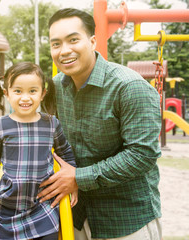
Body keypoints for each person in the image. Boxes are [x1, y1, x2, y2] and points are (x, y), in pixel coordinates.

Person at [37, 8, 162, 240]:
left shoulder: (129, 87)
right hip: (75, 216)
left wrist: (78, 177)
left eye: (73, 40)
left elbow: (142, 154)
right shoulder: (54, 88)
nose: (64, 51)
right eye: (56, 44)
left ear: (92, 40)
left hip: (126, 219)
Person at [0, 62, 78, 240]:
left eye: (32, 91)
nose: (25, 98)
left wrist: (74, 182)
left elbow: (65, 154)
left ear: (43, 94)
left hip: (44, 207)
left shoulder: (51, 123)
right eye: (18, 91)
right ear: (7, 93)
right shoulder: (0, 125)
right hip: (9, 210)